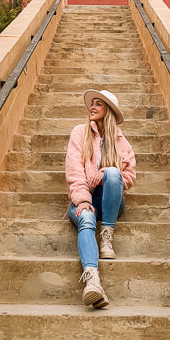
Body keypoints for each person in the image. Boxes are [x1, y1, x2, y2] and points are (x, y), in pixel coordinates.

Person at [65, 89, 136, 308]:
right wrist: (83, 199)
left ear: (109, 111)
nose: (92, 107)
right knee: (85, 218)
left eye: (98, 104)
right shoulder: (79, 133)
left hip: (112, 203)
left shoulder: (122, 143)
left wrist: (106, 174)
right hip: (85, 196)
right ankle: (92, 280)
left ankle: (106, 236)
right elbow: (75, 172)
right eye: (92, 103)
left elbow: (130, 175)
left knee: (113, 173)